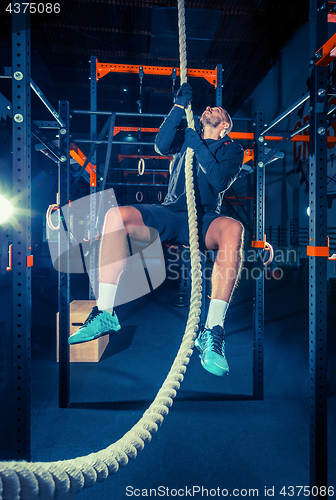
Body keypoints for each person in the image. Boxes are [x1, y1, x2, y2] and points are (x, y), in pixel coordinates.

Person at [68, 83, 245, 377]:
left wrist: (196, 142)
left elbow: (217, 180)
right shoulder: (186, 137)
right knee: (116, 216)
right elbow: (161, 145)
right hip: (171, 211)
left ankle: (213, 332)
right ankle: (106, 313)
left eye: (218, 109)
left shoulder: (232, 149)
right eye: (209, 107)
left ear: (224, 125)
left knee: (234, 229)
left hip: (205, 218)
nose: (209, 108)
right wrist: (177, 108)